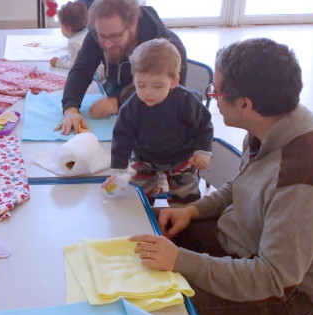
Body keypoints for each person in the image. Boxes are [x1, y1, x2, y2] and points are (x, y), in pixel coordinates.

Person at [128, 38, 313, 315]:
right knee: (139, 227)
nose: (212, 98)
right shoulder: (270, 125)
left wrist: (182, 260)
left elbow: (274, 279)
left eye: (216, 92)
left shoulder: (302, 174)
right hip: (245, 243)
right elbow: (242, 184)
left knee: (170, 307)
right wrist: (192, 211)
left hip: (295, 293)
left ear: (245, 105)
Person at [102, 38, 212, 205]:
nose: (148, 93)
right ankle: (144, 214)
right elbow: (121, 137)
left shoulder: (186, 101)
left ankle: (182, 219)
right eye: (141, 85)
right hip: (145, 157)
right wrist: (118, 170)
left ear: (174, 81)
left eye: (158, 86)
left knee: (186, 199)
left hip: (181, 158)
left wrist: (202, 151)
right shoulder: (131, 107)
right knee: (137, 199)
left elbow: (204, 125)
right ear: (134, 79)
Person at [56, 0, 187, 135]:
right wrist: (70, 108)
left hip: (156, 132)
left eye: (115, 36)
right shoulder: (102, 30)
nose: (107, 44)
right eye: (102, 36)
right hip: (118, 123)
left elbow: (169, 99)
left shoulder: (169, 50)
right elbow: (81, 70)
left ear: (133, 22)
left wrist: (117, 103)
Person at [49, 1, 89, 70]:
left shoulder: (73, 43)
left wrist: (58, 62)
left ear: (67, 27)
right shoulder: (87, 32)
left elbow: (74, 65)